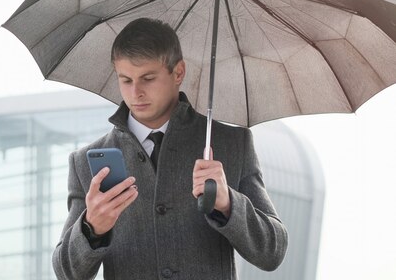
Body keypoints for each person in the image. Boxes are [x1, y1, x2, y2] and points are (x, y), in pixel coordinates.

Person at [52, 18, 288, 279]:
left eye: (148, 78)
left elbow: (272, 251)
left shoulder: (232, 144)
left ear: (178, 73)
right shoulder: (85, 162)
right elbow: (66, 273)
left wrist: (229, 203)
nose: (135, 93)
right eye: (126, 80)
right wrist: (91, 228)